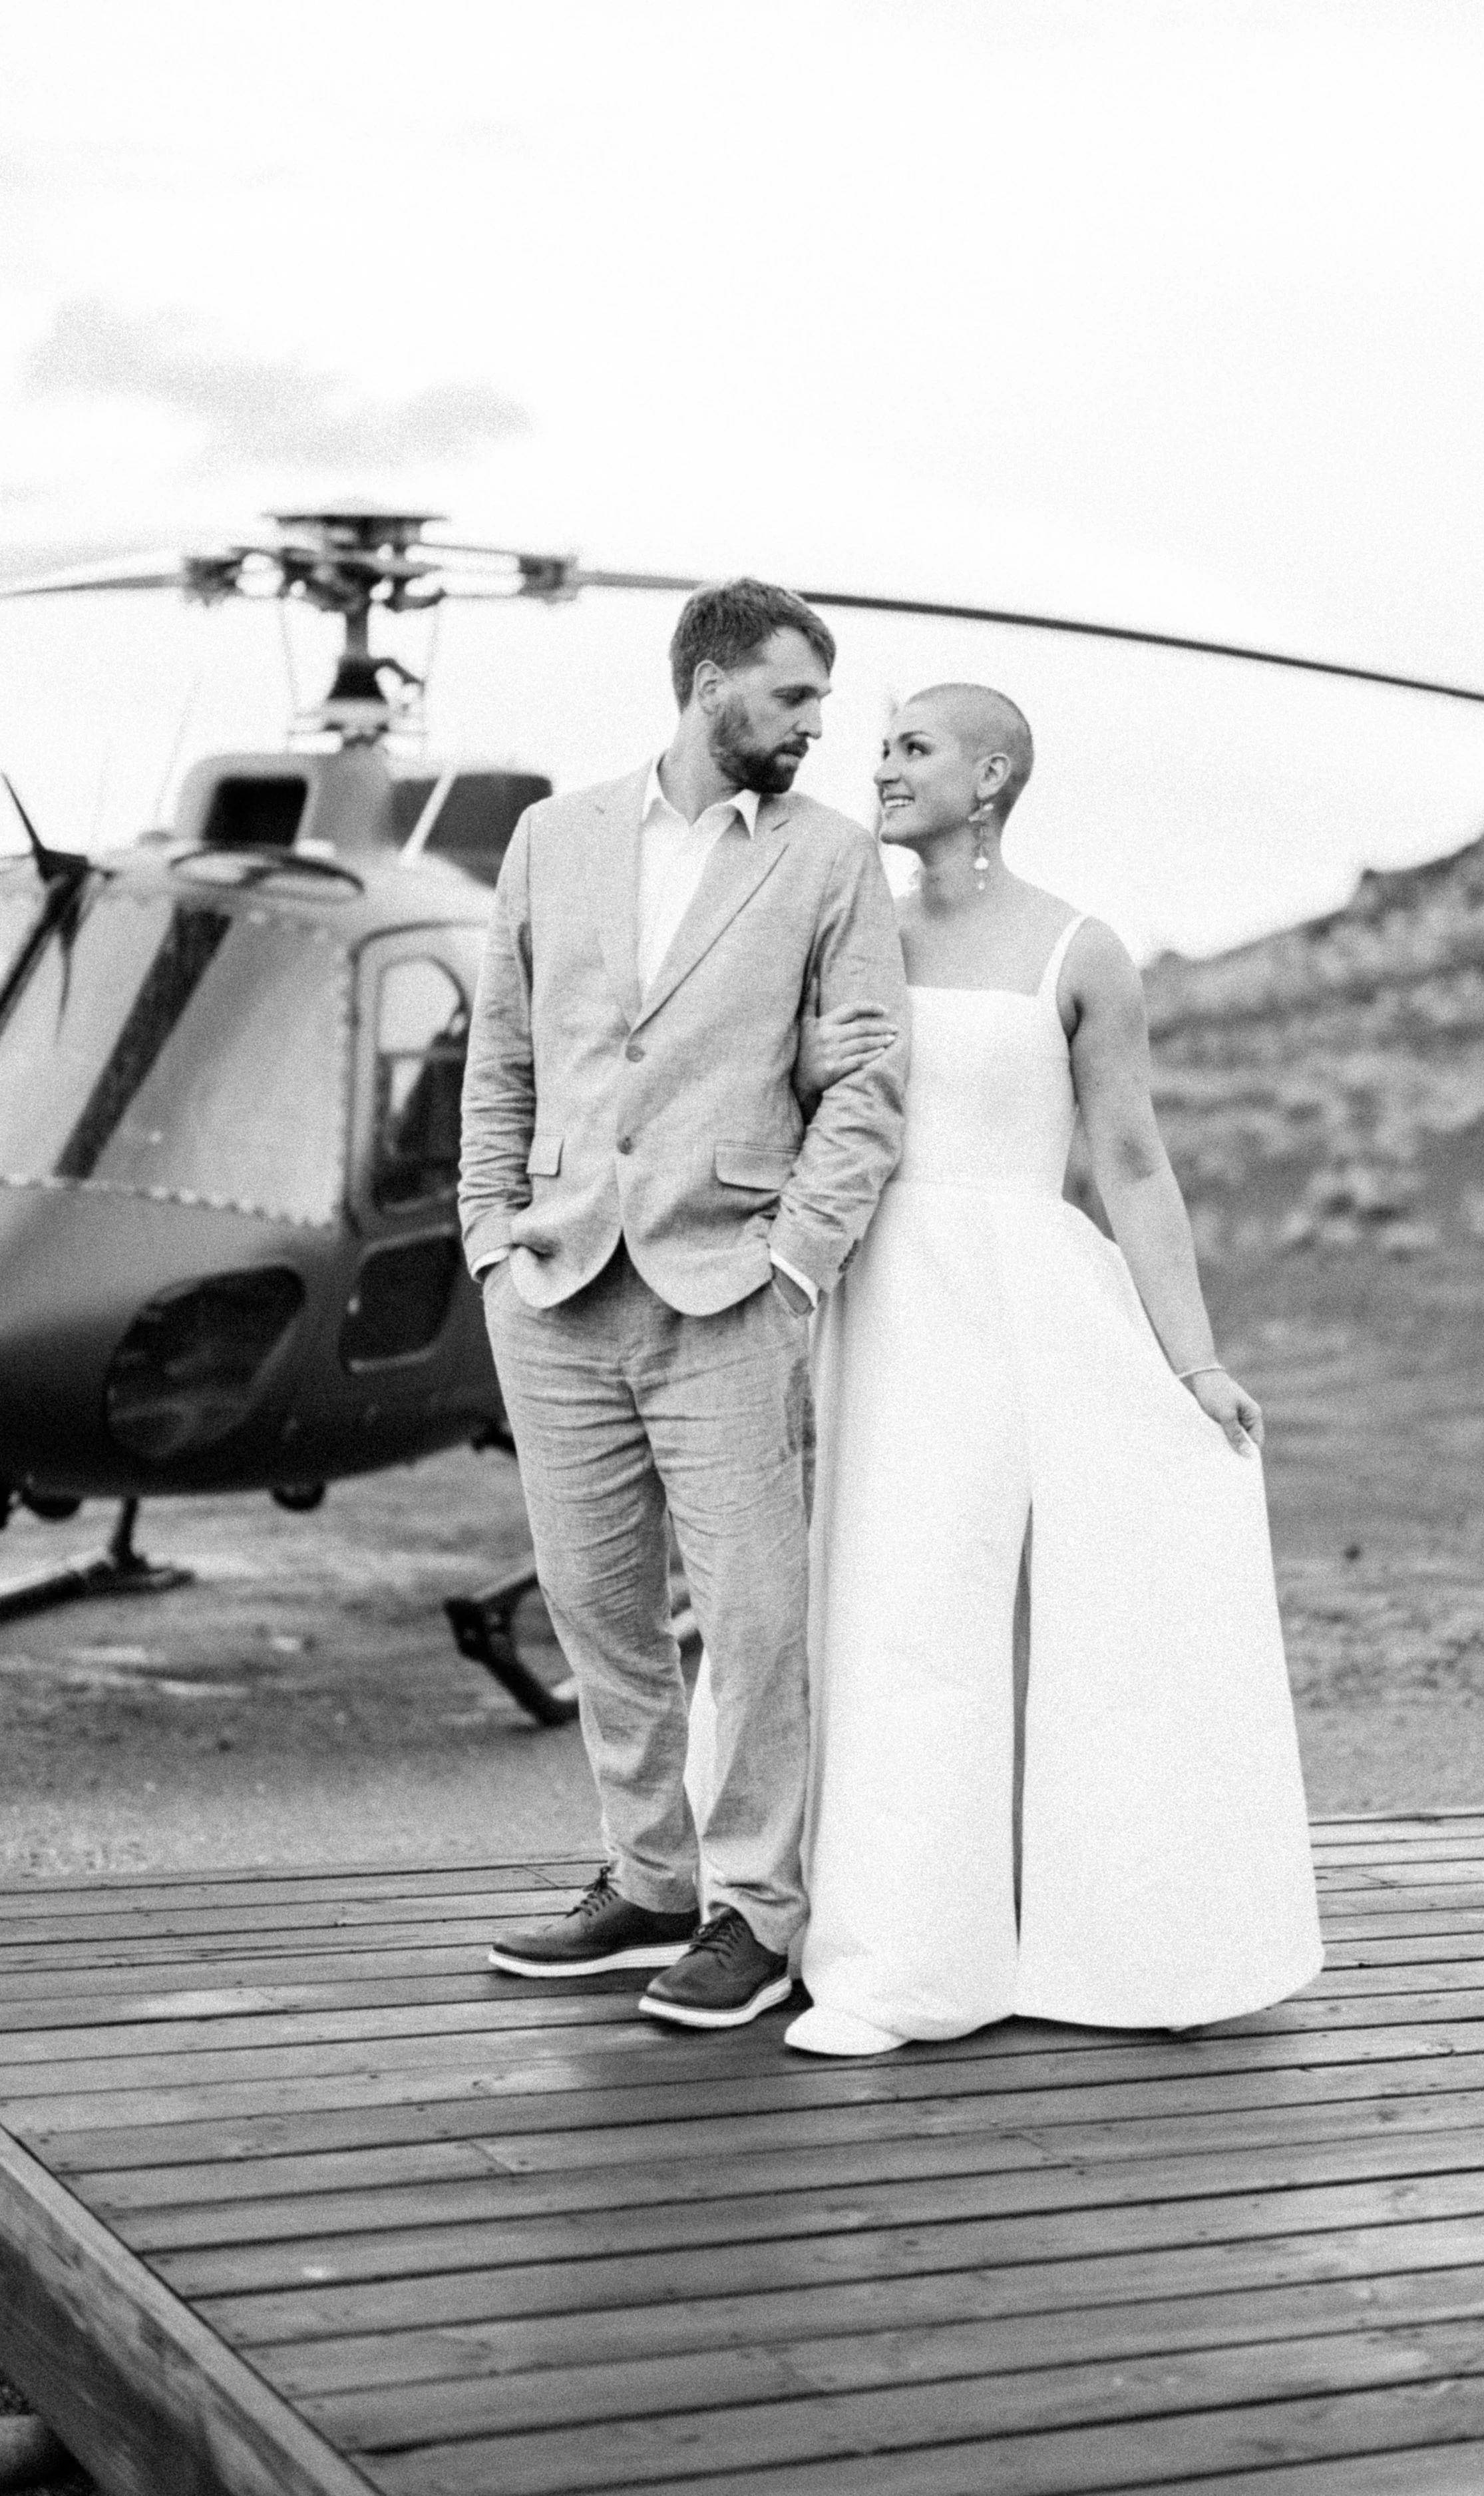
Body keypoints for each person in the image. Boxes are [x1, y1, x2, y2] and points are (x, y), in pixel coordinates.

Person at [783, 683, 1322, 2057]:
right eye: (881, 749)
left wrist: (1190, 1360)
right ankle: (886, 1959)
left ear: (993, 773)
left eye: (913, 749)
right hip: (867, 1290)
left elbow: (1130, 1163)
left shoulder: (1080, 949)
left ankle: (1076, 1940)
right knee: (872, 1606)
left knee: (984, 1609)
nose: (883, 769)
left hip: (1016, 1296)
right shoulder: (853, 937)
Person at [458, 580, 908, 2031]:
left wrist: (796, 1263)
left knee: (754, 1617)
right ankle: (647, 1880)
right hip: (556, 1282)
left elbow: (866, 1087)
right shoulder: (553, 837)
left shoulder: (834, 862)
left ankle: (755, 1913)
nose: (815, 729)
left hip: (729, 1290)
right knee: (596, 1609)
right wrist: (486, 1242)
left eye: (820, 706)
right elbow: (504, 1059)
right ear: (708, 684)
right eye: (790, 699)